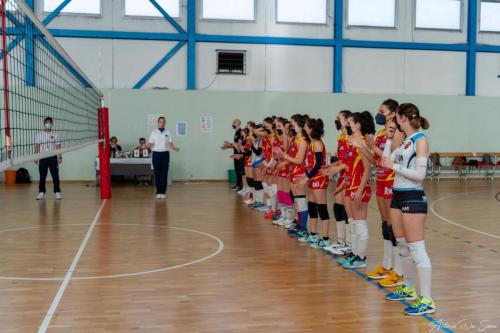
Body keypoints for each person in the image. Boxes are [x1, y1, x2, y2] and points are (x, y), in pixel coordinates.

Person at [382, 103, 435, 315]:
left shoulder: (420, 140)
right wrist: (388, 138)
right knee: (402, 246)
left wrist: (392, 167)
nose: (394, 123)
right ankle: (410, 288)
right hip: (397, 194)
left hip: (413, 197)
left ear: (404, 119)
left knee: (417, 249)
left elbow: (420, 175)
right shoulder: (405, 142)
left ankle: (427, 300)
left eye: (396, 119)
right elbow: (386, 159)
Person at [341, 111, 375, 269]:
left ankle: (361, 258)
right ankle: (355, 254)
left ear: (358, 124)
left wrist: (360, 190)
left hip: (360, 187)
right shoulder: (351, 141)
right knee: (353, 224)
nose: (347, 125)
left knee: (360, 225)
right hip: (350, 186)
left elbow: (367, 170)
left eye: (350, 123)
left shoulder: (362, 142)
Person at [148, 117, 180, 199]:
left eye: (163, 122)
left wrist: (174, 148)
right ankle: (158, 192)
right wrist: (144, 147)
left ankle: (163, 192)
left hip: (165, 154)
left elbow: (170, 143)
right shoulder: (154, 132)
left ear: (165, 123)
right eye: (160, 122)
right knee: (157, 173)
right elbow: (150, 144)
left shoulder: (168, 132)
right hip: (156, 154)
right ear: (158, 123)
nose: (162, 123)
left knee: (164, 174)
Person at [35, 117, 62, 200]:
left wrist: (60, 157)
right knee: (42, 176)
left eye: (49, 122)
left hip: (53, 157)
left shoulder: (55, 134)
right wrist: (36, 157)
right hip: (42, 157)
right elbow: (37, 146)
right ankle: (41, 192)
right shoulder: (40, 134)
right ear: (44, 124)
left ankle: (57, 192)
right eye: (46, 122)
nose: (48, 123)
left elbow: (58, 146)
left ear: (52, 124)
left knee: (55, 175)